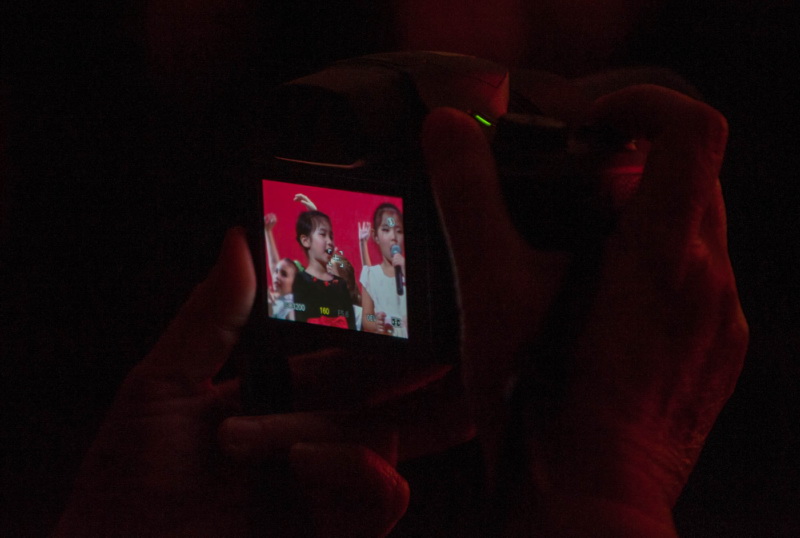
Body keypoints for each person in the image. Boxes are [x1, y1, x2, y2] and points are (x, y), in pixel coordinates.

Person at [291, 209, 356, 329]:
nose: (330, 242)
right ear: (305, 241)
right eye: (322, 234)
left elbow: (351, 324)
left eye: (331, 236)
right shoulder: (300, 281)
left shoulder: (340, 284)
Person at [360, 204, 408, 338]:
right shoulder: (371, 275)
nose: (394, 237)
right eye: (386, 230)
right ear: (375, 236)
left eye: (399, 231)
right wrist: (376, 323)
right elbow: (366, 318)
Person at [264, 213, 299, 320]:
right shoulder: (274, 298)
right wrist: (268, 231)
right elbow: (274, 263)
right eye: (276, 272)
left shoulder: (291, 306)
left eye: (284, 274)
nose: (276, 276)